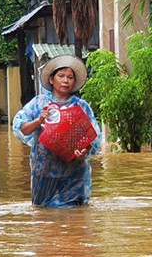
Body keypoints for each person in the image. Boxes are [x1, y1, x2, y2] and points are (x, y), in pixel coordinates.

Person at [12, 55, 101, 208]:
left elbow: (94, 139)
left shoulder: (82, 107)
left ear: (74, 83)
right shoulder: (38, 104)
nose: (66, 80)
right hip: (44, 174)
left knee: (76, 217)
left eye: (70, 77)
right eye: (61, 76)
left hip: (75, 175)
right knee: (44, 217)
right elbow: (20, 129)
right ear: (52, 80)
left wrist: (84, 151)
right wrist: (39, 120)